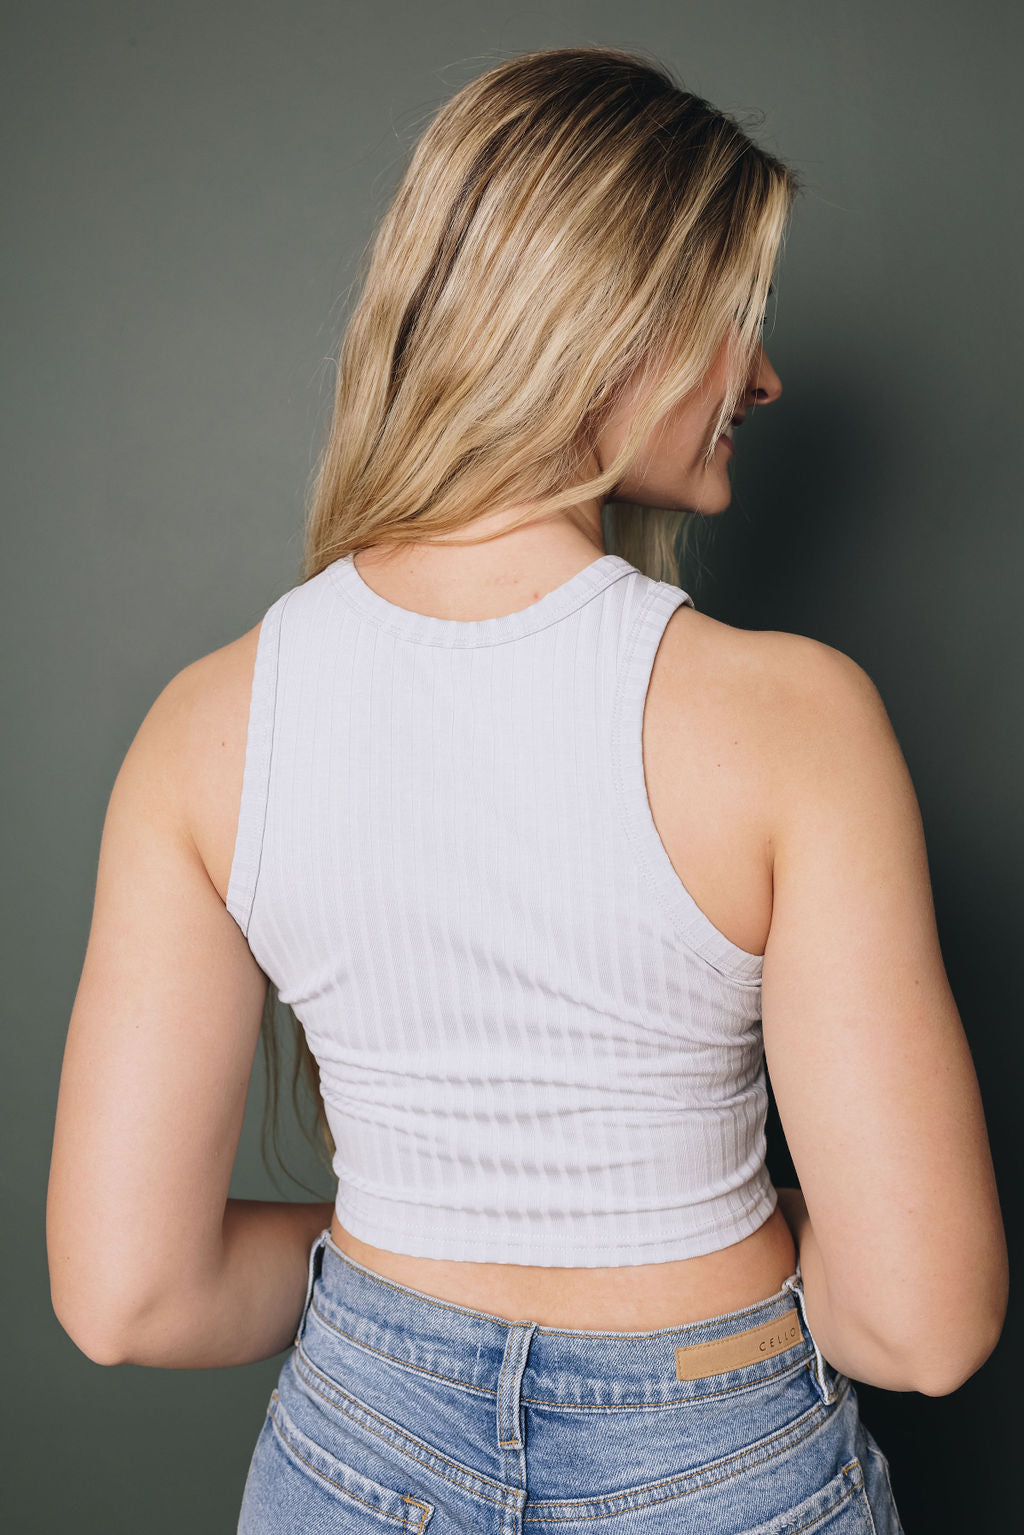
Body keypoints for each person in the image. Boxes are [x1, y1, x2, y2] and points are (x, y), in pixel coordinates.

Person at [47, 44, 1006, 1534]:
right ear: (612, 320)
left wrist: (412, 1271)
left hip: (352, 1451)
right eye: (732, 315)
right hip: (719, 1454)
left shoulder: (208, 728)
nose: (760, 375)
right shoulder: (793, 721)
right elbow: (919, 1326)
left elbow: (132, 1297)